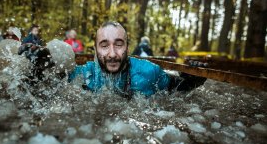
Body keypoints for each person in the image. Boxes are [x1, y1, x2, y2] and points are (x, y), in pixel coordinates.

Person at [19, 21, 206, 98]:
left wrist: (195, 78)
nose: (112, 54)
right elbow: (45, 87)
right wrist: (39, 67)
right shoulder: (85, 73)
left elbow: (177, 88)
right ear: (95, 49)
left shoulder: (149, 72)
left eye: (118, 44)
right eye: (104, 45)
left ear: (128, 47)